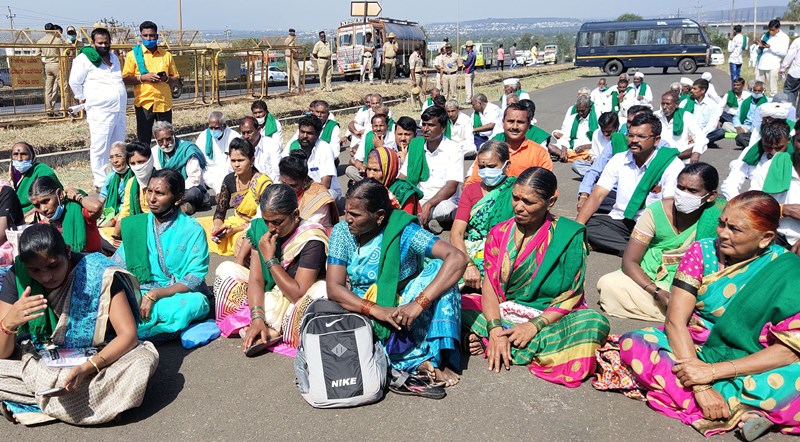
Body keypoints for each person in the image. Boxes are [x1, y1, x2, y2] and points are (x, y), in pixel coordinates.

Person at [611, 191, 800, 439]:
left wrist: (712, 373)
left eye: (735, 229)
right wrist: (700, 385)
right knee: (636, 342)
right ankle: (749, 408)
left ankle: (729, 405)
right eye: (722, 223)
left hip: (756, 358)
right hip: (696, 348)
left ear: (765, 238)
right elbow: (675, 322)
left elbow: (787, 350)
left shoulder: (787, 270)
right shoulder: (702, 252)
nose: (722, 233)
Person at [462, 167, 610, 387]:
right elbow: (491, 286)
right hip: (504, 311)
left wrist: (532, 326)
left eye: (529, 202)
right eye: (515, 198)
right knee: (457, 303)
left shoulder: (571, 234)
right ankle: (501, 341)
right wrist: (494, 329)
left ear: (551, 201)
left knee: (593, 323)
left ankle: (489, 341)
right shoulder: (499, 232)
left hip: (549, 316)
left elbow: (572, 293)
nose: (519, 207)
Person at [0, 224, 158, 426]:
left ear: (67, 251)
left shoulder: (99, 272)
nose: (46, 277)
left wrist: (88, 367)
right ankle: (87, 406)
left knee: (142, 361)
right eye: (35, 270)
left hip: (98, 359)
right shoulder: (18, 275)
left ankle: (36, 404)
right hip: (42, 358)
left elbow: (128, 336)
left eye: (53, 266)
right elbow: (3, 353)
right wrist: (9, 323)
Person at [327, 179, 468, 391]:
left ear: (379, 216)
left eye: (355, 215)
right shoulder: (341, 233)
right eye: (347, 212)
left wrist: (418, 304)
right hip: (363, 305)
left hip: (407, 304)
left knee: (443, 269)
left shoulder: (404, 231)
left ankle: (438, 357)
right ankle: (416, 360)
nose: (348, 219)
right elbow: (334, 287)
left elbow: (457, 258)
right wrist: (377, 309)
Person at [597, 163, 723, 322]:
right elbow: (630, 261)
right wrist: (657, 292)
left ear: (710, 196)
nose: (683, 194)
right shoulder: (656, 211)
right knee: (608, 284)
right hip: (652, 277)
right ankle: (683, 316)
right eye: (680, 187)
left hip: (693, 281)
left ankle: (679, 313)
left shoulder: (718, 216)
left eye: (692, 191)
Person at [214, 184, 328, 353]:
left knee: (322, 292)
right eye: (267, 221)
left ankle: (274, 330)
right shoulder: (260, 227)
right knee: (226, 270)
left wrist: (270, 259)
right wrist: (257, 317)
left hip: (294, 299)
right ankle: (260, 325)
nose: (271, 228)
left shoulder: (311, 239)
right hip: (270, 293)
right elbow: (256, 279)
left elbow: (297, 294)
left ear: (295, 215)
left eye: (277, 222)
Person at [115, 169, 211, 341]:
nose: (151, 199)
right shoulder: (136, 225)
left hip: (176, 294)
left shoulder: (192, 230)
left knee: (195, 304)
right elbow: (117, 266)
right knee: (117, 301)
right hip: (139, 290)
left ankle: (132, 330)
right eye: (149, 191)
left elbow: (195, 278)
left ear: (178, 197)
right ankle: (151, 327)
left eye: (159, 193)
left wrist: (157, 294)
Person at [577, 113, 685, 256]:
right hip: (622, 220)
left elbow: (669, 206)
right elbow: (598, 195)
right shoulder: (619, 159)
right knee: (586, 224)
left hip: (653, 225)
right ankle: (635, 250)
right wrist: (575, 231)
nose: (634, 140)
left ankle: (622, 246)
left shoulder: (671, 164)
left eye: (641, 137)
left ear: (656, 140)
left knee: (672, 240)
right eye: (630, 135)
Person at [450, 141, 515, 291]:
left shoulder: (515, 191)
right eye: (482, 167)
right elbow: (456, 233)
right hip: (472, 250)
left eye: (492, 167)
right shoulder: (471, 190)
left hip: (503, 250)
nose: (486, 171)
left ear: (507, 166)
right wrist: (468, 264)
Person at [68, 27, 127, 190]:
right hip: (100, 111)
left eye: (106, 42)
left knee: (118, 145)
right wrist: (85, 98)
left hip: (119, 110)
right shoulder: (84, 59)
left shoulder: (114, 57)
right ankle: (101, 182)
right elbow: (74, 82)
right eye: (100, 43)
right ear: (93, 43)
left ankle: (118, 176)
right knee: (100, 146)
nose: (104, 46)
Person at [198, 138, 271, 256]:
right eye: (233, 160)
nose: (236, 165)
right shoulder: (229, 180)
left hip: (252, 226)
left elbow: (265, 220)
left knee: (243, 241)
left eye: (241, 160)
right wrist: (217, 228)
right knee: (197, 225)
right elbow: (220, 212)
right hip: (234, 222)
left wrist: (234, 230)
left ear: (252, 160)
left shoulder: (262, 183)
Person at [577, 105, 653, 214]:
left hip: (644, 195)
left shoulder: (662, 147)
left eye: (637, 122)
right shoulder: (617, 141)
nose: (631, 126)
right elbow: (595, 169)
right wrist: (584, 196)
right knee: (590, 194)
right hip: (617, 192)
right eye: (629, 122)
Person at [399, 106, 463, 233]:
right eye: (423, 125)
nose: (425, 129)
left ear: (443, 128)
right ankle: (429, 221)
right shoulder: (416, 146)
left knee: (446, 209)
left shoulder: (454, 149)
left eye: (431, 125)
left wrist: (429, 204)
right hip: (419, 197)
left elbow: (451, 187)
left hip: (442, 201)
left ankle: (420, 219)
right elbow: (403, 177)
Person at [741, 120, 800, 254]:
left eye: (778, 147)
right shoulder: (771, 166)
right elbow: (750, 205)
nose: (773, 152)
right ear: (794, 139)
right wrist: (783, 210)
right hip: (773, 236)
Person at [122, 21, 180, 144]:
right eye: (146, 36)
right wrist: (143, 78)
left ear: (157, 36)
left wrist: (166, 79)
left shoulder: (166, 55)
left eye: (152, 35)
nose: (149, 38)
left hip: (163, 103)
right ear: (141, 37)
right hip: (144, 103)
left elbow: (176, 78)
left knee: (167, 140)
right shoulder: (133, 55)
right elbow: (125, 78)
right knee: (144, 141)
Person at [466, 103, 553, 184]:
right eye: (510, 121)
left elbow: (546, 187)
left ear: (528, 124)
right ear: (503, 122)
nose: (515, 127)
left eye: (520, 122)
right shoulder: (489, 150)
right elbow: (474, 181)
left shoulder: (540, 154)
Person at [28, 176, 103, 253]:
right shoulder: (44, 226)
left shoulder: (78, 211)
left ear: (60, 194)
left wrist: (78, 196)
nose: (43, 209)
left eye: (46, 201)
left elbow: (97, 207)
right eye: (37, 205)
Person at [722, 117, 792, 200]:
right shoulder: (751, 154)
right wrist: (740, 204)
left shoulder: (795, 158)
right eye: (768, 147)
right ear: (761, 141)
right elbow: (730, 185)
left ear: (788, 140)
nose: (773, 153)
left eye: (779, 148)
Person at [152, 121, 211, 215]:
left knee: (193, 193)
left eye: (168, 139)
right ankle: (182, 206)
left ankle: (171, 205)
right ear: (156, 140)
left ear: (174, 135)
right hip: (166, 190)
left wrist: (174, 193)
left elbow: (194, 179)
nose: (165, 143)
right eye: (160, 141)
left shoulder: (188, 150)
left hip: (186, 189)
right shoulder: (154, 152)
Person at [279, 150, 339, 231]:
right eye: (283, 183)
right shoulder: (282, 190)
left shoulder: (319, 198)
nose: (286, 189)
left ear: (304, 181)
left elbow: (308, 228)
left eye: (293, 185)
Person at [110, 142, 154, 246]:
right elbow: (126, 211)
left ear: (150, 160)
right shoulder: (131, 183)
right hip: (138, 226)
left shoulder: (161, 180)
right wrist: (116, 236)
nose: (137, 167)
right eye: (133, 164)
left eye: (141, 162)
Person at [288, 115, 341, 200]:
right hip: (301, 189)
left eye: (309, 133)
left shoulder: (325, 148)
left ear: (318, 134)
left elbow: (325, 184)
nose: (304, 136)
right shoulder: (293, 146)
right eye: (302, 132)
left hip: (325, 190)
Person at [9, 142, 60, 219]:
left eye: (24, 154)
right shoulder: (15, 173)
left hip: (37, 214)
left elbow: (49, 202)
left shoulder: (43, 171)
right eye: (15, 154)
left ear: (32, 157)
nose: (19, 159)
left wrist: (22, 218)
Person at [365, 146, 422, 216]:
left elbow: (405, 222)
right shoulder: (366, 187)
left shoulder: (403, 191)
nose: (370, 175)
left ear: (390, 170)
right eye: (368, 169)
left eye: (375, 170)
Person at [656, 90, 707, 164]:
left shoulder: (686, 116)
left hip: (680, 158)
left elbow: (701, 138)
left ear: (677, 104)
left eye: (668, 104)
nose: (664, 107)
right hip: (659, 158)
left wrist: (696, 152)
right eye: (663, 104)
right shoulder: (656, 116)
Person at [196, 111, 239, 194]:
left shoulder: (233, 136)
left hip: (228, 170)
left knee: (222, 178)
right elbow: (199, 157)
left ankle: (221, 195)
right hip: (208, 170)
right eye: (210, 128)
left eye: (216, 128)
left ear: (224, 126)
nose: (213, 130)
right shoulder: (203, 136)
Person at [346, 113, 396, 183]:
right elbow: (358, 160)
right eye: (375, 126)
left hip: (385, 174)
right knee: (350, 170)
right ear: (372, 127)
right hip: (369, 173)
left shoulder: (393, 138)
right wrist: (362, 167)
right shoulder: (368, 137)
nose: (378, 129)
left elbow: (391, 164)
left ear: (387, 126)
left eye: (381, 126)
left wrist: (380, 148)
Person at [97, 142, 133, 231]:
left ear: (127, 157)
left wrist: (112, 222)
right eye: (111, 157)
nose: (114, 161)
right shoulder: (111, 177)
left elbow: (129, 206)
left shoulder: (133, 177)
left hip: (127, 215)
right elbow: (101, 200)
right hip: (110, 214)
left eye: (118, 156)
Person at [572, 111, 619, 177]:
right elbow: (594, 154)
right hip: (601, 167)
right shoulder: (597, 133)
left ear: (616, 127)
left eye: (609, 132)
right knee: (576, 164)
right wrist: (594, 160)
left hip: (617, 168)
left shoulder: (622, 134)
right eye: (603, 131)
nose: (605, 134)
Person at [554, 95, 597, 163]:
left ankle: (572, 157)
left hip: (589, 147)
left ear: (589, 108)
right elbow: (565, 137)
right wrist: (564, 151)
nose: (580, 113)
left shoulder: (597, 119)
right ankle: (570, 156)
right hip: (572, 147)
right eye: (578, 111)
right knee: (549, 146)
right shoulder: (571, 118)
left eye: (583, 111)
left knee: (594, 152)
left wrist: (585, 146)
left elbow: (600, 141)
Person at [682, 79, 725, 147]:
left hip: (703, 133)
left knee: (720, 132)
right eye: (692, 88)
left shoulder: (712, 105)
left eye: (694, 89)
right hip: (686, 133)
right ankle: (701, 142)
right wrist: (687, 135)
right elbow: (680, 120)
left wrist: (697, 136)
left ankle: (697, 141)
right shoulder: (685, 102)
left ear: (703, 91)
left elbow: (711, 125)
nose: (692, 91)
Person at [239, 116, 282, 183]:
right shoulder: (240, 147)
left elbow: (276, 172)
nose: (246, 136)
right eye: (243, 133)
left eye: (249, 132)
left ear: (258, 130)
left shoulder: (272, 145)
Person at [756, 19, 790, 97]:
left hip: (773, 66)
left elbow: (783, 53)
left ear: (778, 28)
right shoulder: (766, 35)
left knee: (773, 90)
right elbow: (760, 51)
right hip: (761, 64)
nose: (771, 31)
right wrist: (760, 46)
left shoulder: (784, 37)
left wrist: (770, 47)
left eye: (773, 30)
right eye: (769, 29)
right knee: (758, 88)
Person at [732, 81, 767, 148]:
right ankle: (755, 145)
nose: (756, 93)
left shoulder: (767, 102)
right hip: (746, 127)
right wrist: (738, 126)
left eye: (759, 91)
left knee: (740, 137)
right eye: (755, 90)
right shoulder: (746, 102)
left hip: (759, 129)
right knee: (726, 125)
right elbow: (736, 116)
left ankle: (752, 146)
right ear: (752, 90)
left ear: (763, 91)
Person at [36, 23, 61, 116]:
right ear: (53, 29)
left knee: (48, 89)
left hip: (47, 65)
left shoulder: (40, 41)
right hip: (57, 64)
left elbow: (37, 54)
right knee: (64, 87)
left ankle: (49, 109)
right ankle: (65, 108)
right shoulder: (58, 41)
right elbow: (62, 55)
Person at [780, 33, 800, 107]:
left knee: (790, 91)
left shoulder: (798, 41)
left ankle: (791, 113)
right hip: (796, 72)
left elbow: (790, 55)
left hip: (795, 73)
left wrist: (783, 68)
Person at [284, 28, 301, 93]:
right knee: (296, 72)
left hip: (288, 57)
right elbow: (291, 47)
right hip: (291, 57)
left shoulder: (287, 39)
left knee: (290, 73)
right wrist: (296, 51)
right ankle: (297, 88)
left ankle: (290, 88)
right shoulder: (291, 39)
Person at [409, 44, 424, 111]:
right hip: (415, 75)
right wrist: (413, 79)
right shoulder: (413, 56)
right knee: (414, 91)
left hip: (420, 75)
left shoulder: (419, 56)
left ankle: (422, 106)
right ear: (419, 49)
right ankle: (414, 107)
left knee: (421, 91)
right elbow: (412, 68)